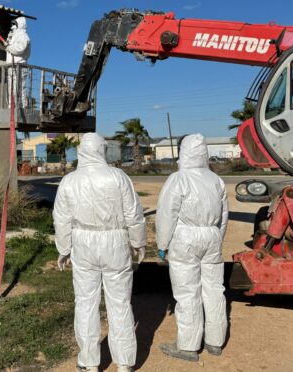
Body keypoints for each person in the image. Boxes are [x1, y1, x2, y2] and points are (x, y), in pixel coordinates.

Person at [53, 133, 146, 372]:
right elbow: (133, 213)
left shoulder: (69, 181)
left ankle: (89, 362)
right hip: (115, 241)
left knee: (85, 303)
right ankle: (124, 362)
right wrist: (138, 242)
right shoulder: (118, 177)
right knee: (120, 303)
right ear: (102, 150)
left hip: (83, 242)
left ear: (81, 151)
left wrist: (63, 249)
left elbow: (61, 218)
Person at [155, 134, 229, 362]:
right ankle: (215, 341)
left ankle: (188, 345)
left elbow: (167, 215)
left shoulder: (178, 179)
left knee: (188, 291)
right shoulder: (216, 180)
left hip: (185, 237)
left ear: (183, 152)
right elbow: (224, 215)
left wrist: (162, 244)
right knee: (215, 289)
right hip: (211, 235)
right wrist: (218, 237)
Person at [5, 17, 31, 108]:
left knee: (19, 88)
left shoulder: (23, 36)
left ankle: (22, 107)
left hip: (19, 66)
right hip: (11, 66)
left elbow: (20, 49)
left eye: (14, 24)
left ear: (19, 25)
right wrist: (8, 41)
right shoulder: (14, 35)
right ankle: (11, 106)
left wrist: (9, 47)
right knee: (11, 88)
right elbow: (10, 47)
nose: (12, 26)